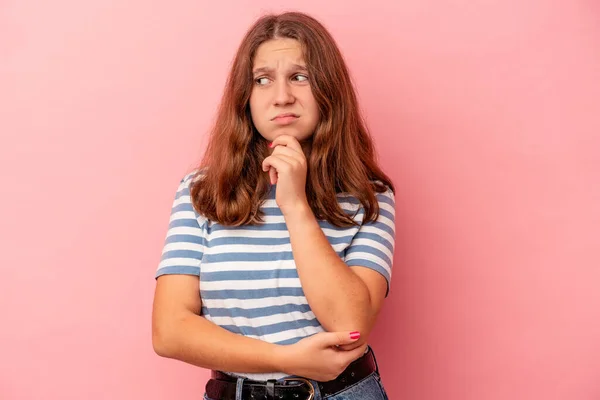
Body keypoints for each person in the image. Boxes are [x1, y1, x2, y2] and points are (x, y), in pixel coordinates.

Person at [152, 11, 396, 400]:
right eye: (262, 80)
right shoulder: (201, 192)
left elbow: (350, 323)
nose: (282, 96)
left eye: (300, 77)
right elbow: (170, 331)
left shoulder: (369, 196)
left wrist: (296, 205)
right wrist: (287, 358)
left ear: (328, 89)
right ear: (245, 98)